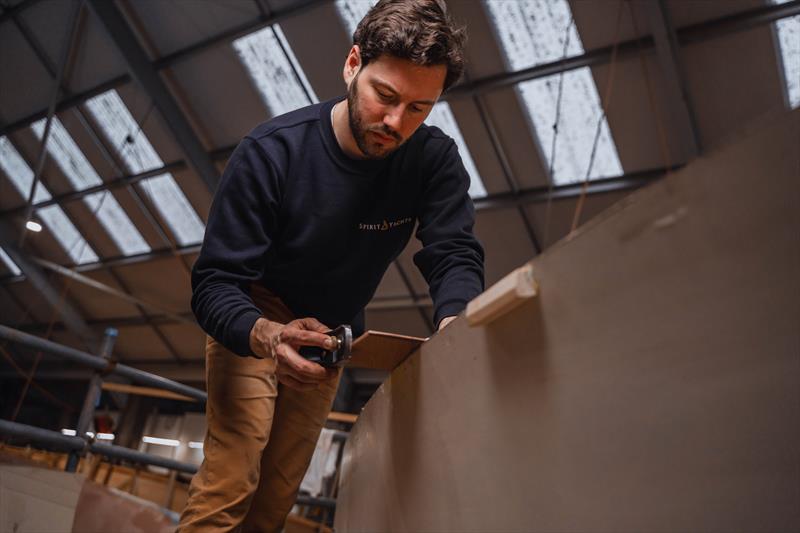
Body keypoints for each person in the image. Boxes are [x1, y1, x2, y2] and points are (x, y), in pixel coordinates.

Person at [179, 0, 484, 530]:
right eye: (384, 96)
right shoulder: (271, 153)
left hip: (330, 333)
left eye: (419, 108)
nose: (396, 121)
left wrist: (455, 322)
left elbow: (452, 249)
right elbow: (212, 284)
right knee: (233, 478)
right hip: (253, 314)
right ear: (352, 65)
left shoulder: (434, 160)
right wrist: (270, 335)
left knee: (274, 499)